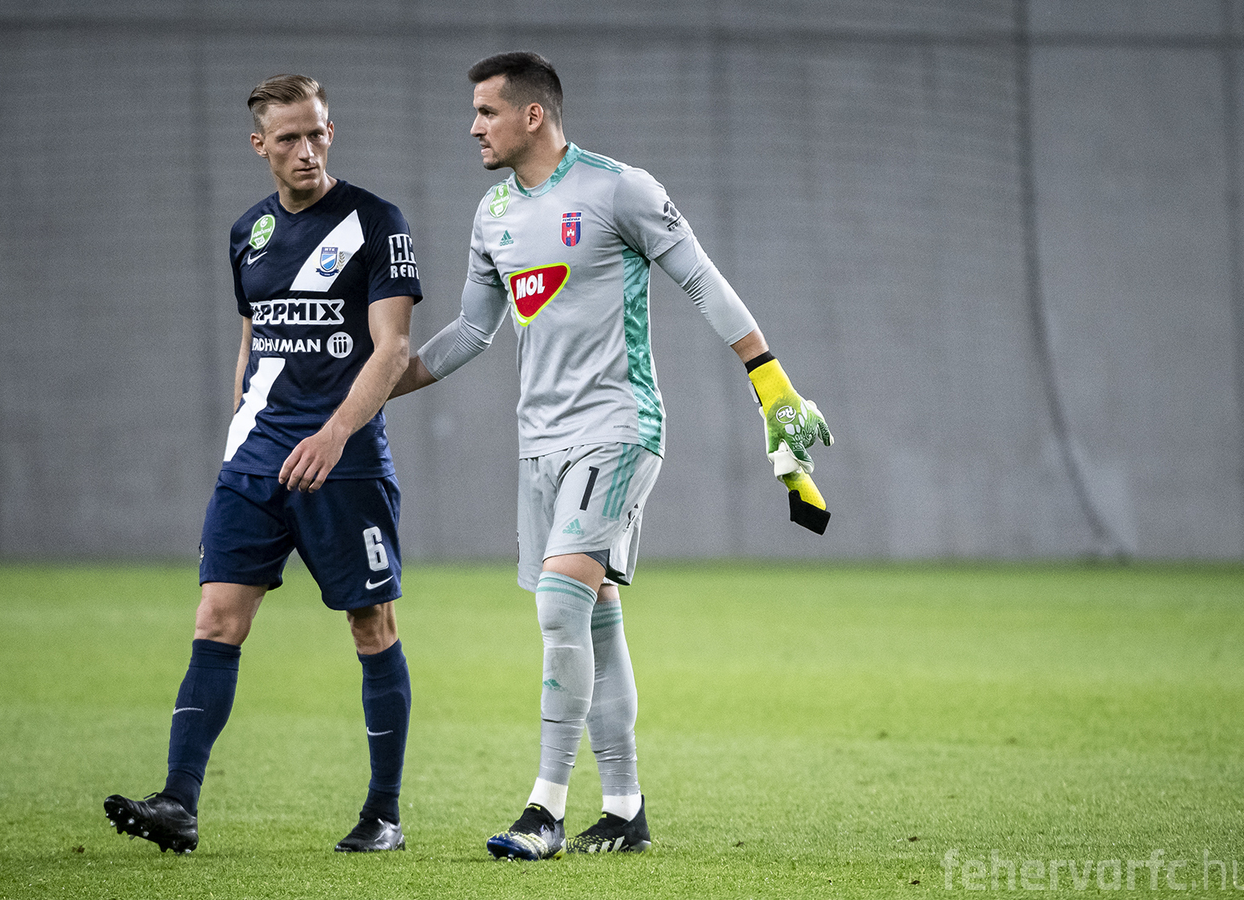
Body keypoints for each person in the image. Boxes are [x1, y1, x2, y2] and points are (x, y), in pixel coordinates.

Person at [389, 51, 832, 861]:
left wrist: (770, 383)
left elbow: (703, 281)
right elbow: (472, 332)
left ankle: (544, 811)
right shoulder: (493, 213)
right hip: (540, 443)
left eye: (487, 111)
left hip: (620, 427)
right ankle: (625, 812)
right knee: (592, 621)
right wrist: (376, 389)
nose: (473, 127)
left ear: (533, 115)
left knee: (558, 606)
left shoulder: (619, 188)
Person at [106, 73, 421, 855]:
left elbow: (393, 349)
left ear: (330, 131)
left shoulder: (377, 222)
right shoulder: (247, 231)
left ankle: (383, 815)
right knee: (216, 619)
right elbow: (254, 339)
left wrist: (335, 434)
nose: (307, 149)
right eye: (289, 138)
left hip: (344, 466)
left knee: (372, 624)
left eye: (317, 132)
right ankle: (178, 803)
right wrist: (238, 432)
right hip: (254, 464)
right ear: (260, 145)